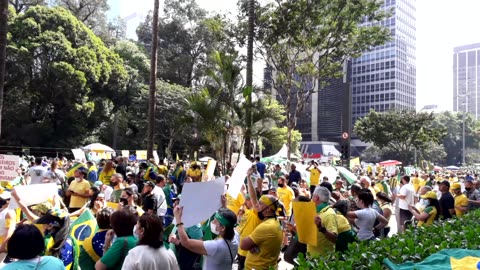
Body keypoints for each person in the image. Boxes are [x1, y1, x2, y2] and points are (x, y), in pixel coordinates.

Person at [174, 206, 239, 270]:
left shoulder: (216, 246)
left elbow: (186, 242)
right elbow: (229, 220)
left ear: (223, 228)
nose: (212, 222)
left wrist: (178, 220)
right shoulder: (236, 236)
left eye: (215, 221)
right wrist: (224, 206)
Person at [309, 186, 338, 256]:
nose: (311, 198)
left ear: (316, 198)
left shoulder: (329, 214)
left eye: (312, 196)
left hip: (323, 260)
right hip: (311, 256)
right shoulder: (315, 211)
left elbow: (334, 238)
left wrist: (321, 228)